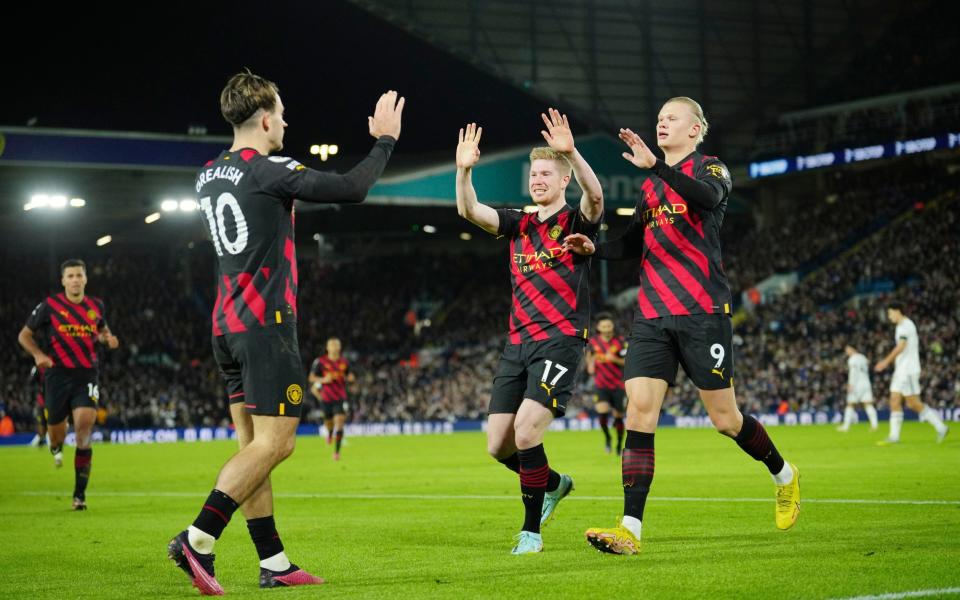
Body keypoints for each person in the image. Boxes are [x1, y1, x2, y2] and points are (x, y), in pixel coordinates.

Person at [167, 70, 404, 595]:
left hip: (225, 325)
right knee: (277, 444)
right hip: (265, 327)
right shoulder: (269, 169)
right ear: (267, 118)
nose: (287, 121)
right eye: (284, 112)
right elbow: (352, 188)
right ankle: (199, 538)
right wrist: (385, 140)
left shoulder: (208, 175)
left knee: (251, 447)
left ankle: (274, 562)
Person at [564, 97, 800, 555]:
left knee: (725, 420)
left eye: (671, 118)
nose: (661, 123)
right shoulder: (650, 190)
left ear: (696, 129)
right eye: (658, 119)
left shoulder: (712, 170)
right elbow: (632, 243)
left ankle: (784, 474)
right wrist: (594, 248)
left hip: (703, 312)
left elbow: (706, 200)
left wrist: (657, 167)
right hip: (652, 315)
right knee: (638, 413)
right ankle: (630, 527)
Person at [455, 109, 604, 555]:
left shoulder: (576, 222)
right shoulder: (520, 222)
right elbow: (469, 210)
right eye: (534, 173)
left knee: (525, 432)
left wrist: (572, 153)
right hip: (517, 343)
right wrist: (464, 172)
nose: (537, 179)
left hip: (560, 340)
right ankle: (555, 484)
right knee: (497, 445)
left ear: (563, 181)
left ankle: (531, 532)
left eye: (546, 173)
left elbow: (595, 197)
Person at [17, 258, 120, 510]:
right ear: (63, 280)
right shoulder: (50, 305)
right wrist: (39, 355)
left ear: (85, 278)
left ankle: (79, 496)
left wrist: (108, 339)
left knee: (84, 428)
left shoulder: (96, 306)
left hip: (86, 375)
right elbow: (24, 335)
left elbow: (103, 331)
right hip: (57, 375)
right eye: (70, 276)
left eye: (79, 275)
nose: (75, 280)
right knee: (57, 435)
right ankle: (55, 446)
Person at [874, 303, 948, 444]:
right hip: (901, 369)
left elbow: (901, 346)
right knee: (894, 400)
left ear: (898, 312)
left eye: (890, 313)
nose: (889, 317)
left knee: (913, 403)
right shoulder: (901, 326)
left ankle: (941, 427)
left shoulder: (906, 326)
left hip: (908, 370)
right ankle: (894, 436)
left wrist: (885, 362)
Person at [586, 313, 627, 454]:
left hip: (618, 386)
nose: (607, 328)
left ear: (613, 326)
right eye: (603, 326)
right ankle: (608, 438)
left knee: (618, 417)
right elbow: (590, 359)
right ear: (598, 327)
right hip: (601, 385)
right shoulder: (593, 342)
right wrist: (590, 365)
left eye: (609, 326)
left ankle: (619, 444)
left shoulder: (621, 342)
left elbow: (627, 362)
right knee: (602, 413)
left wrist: (614, 359)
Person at [309, 337, 355, 460]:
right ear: (327, 348)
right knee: (329, 423)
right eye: (332, 345)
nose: (334, 347)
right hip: (326, 398)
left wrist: (351, 378)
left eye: (336, 345)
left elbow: (350, 375)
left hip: (340, 397)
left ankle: (336, 452)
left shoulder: (344, 362)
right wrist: (324, 380)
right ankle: (329, 433)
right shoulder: (320, 362)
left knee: (339, 423)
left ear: (339, 348)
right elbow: (311, 378)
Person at [838, 345, 878, 432]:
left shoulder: (852, 359)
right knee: (868, 404)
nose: (847, 352)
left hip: (856, 384)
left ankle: (846, 427)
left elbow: (853, 372)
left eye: (848, 350)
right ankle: (874, 425)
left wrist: (850, 384)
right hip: (866, 383)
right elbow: (867, 364)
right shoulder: (863, 357)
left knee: (850, 404)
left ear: (853, 348)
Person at [29, 366, 49, 448]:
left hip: (52, 399)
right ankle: (41, 438)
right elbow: (31, 382)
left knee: (51, 420)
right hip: (42, 400)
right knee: (41, 421)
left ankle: (47, 438)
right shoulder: (38, 368)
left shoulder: (54, 366)